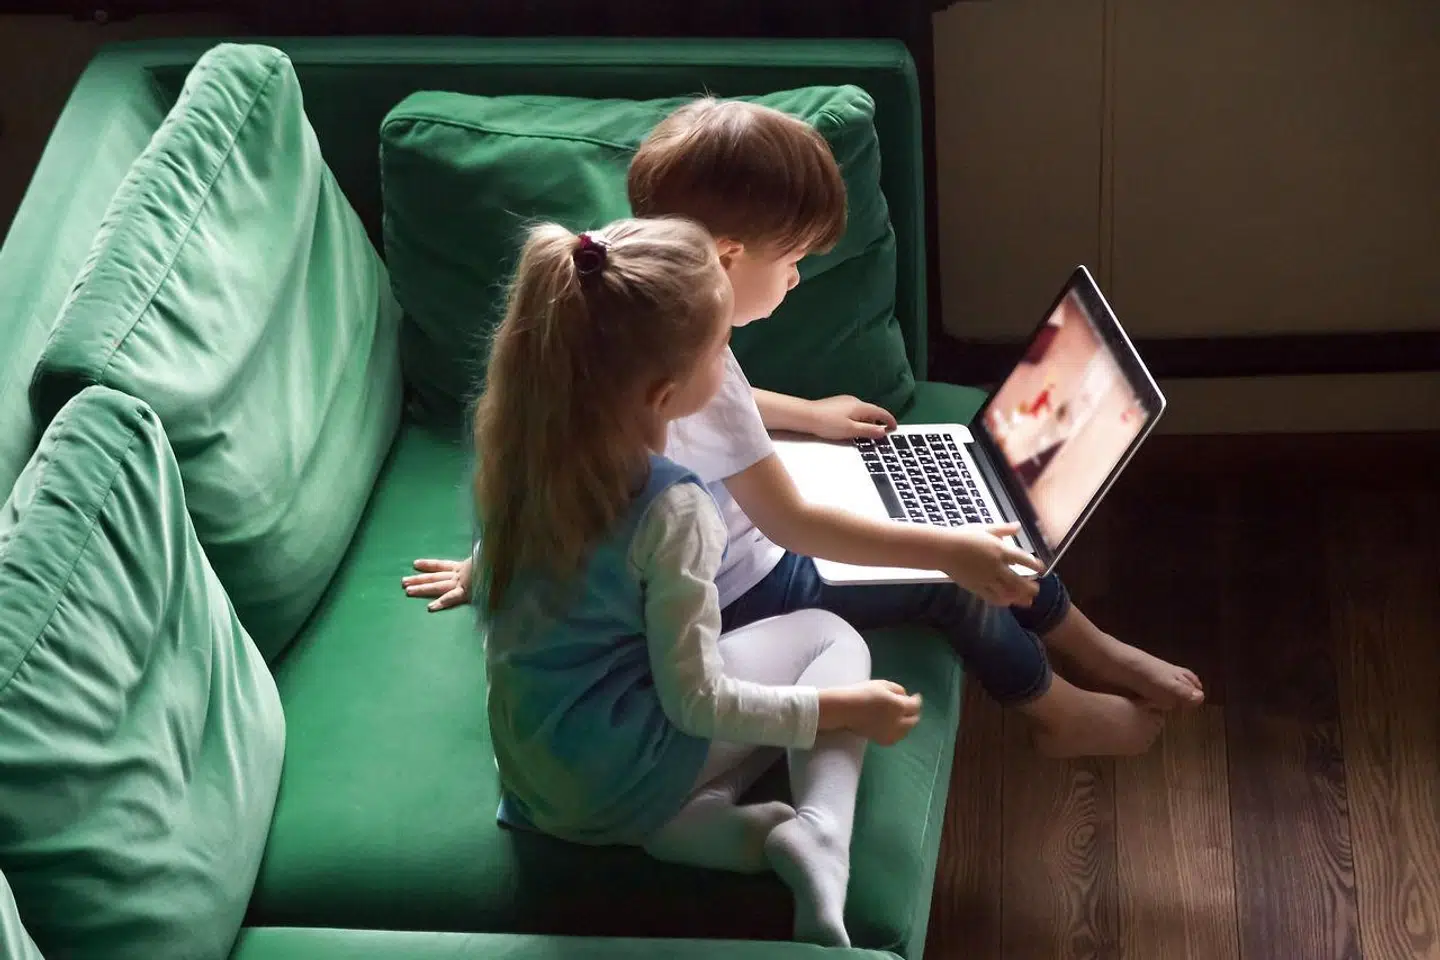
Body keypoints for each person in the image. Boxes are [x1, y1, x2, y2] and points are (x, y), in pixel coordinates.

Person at [406, 98, 1203, 759]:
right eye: (792, 260)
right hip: (734, 588)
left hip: (708, 552)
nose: (796, 278)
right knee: (954, 575)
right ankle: (1062, 712)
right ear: (726, 258)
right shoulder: (689, 359)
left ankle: (1095, 649)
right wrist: (946, 552)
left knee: (966, 531)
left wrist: (807, 416)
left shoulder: (621, 305)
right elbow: (792, 522)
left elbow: (711, 407)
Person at [466, 215, 923, 948]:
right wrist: (839, 709)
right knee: (828, 637)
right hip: (618, 764)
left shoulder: (518, 459)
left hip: (537, 783)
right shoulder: (672, 509)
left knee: (659, 752)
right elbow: (696, 701)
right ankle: (821, 834)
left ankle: (712, 826)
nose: (729, 364)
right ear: (666, 392)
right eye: (719, 349)